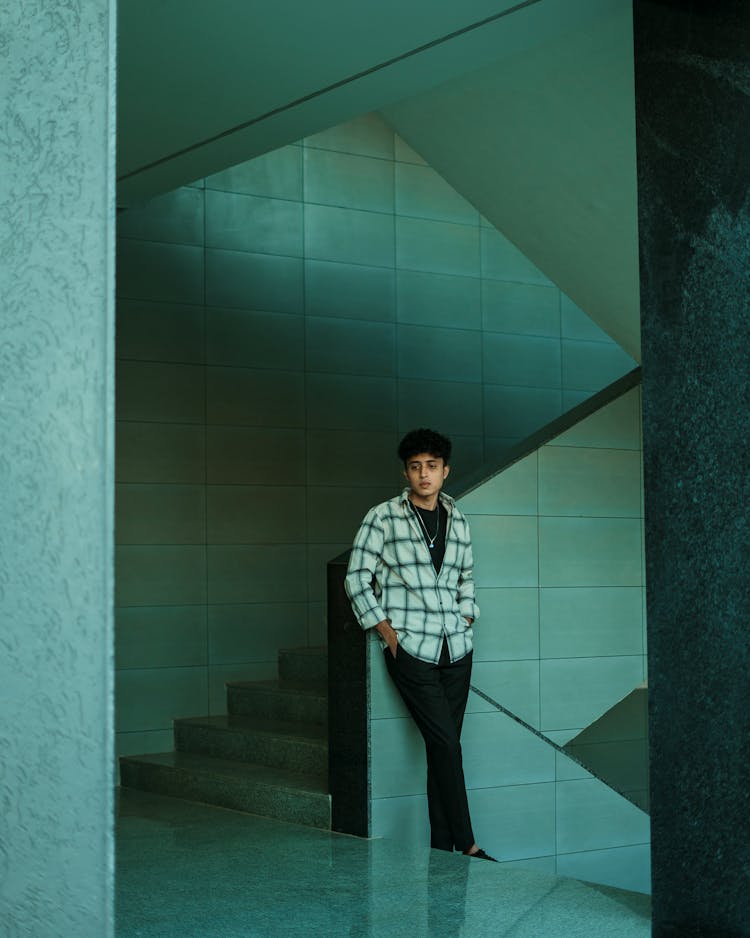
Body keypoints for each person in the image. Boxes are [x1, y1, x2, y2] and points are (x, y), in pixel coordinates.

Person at [345, 428, 496, 861]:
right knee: (447, 745)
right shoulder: (383, 517)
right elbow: (357, 576)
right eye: (416, 467)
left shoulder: (458, 518)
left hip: (457, 649)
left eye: (432, 466)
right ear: (406, 472)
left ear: (445, 471)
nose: (424, 475)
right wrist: (386, 632)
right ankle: (468, 845)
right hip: (412, 650)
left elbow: (467, 578)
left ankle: (442, 850)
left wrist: (467, 617)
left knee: (440, 748)